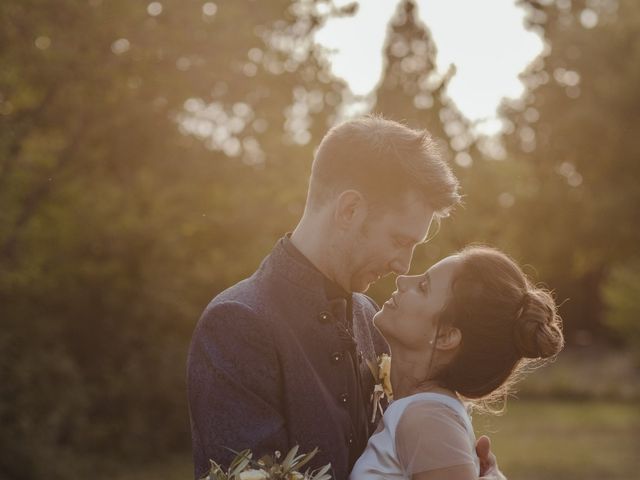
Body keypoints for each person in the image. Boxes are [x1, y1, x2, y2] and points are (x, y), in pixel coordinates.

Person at [187, 115, 502, 480]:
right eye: (400, 241)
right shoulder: (238, 324)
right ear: (349, 210)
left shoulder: (375, 320)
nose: (403, 265)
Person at [350, 245, 565, 479]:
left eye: (423, 287)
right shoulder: (424, 412)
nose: (403, 280)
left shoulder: (427, 420)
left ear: (446, 336)